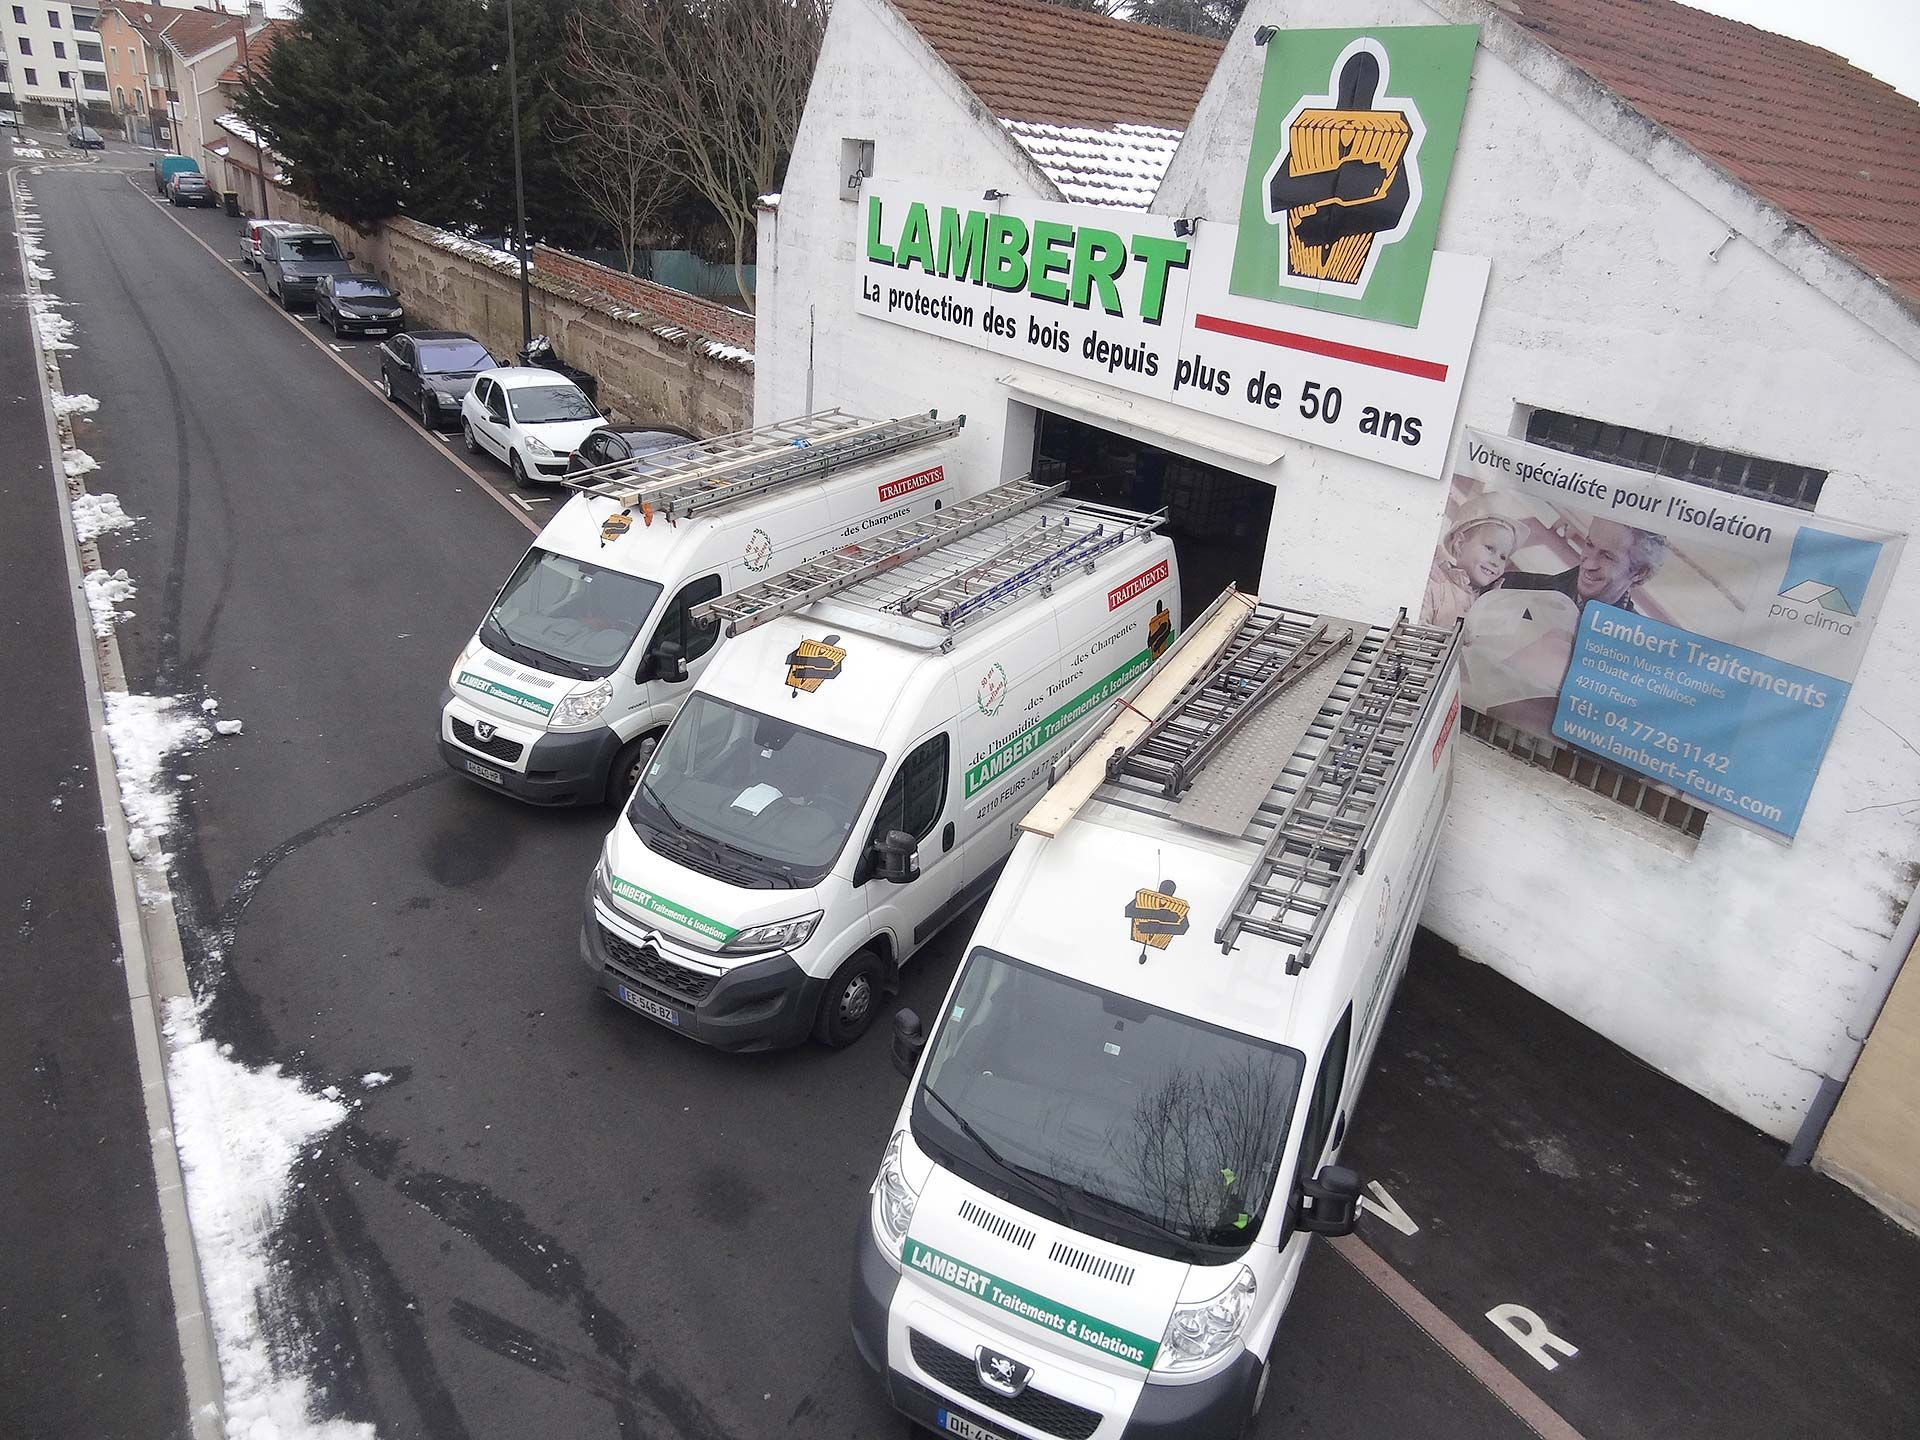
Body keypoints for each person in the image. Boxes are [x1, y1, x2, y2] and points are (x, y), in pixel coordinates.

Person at [1501, 518, 1666, 614]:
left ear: (1639, 572)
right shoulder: (1511, 587)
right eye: (1589, 544)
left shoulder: (1635, 647)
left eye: (1607, 556)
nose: (1589, 564)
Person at [1423, 503, 1521, 629]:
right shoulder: (1434, 584)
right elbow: (1415, 631)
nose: (1496, 562)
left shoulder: (1488, 603)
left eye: (1503, 557)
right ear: (1459, 543)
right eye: (1490, 548)